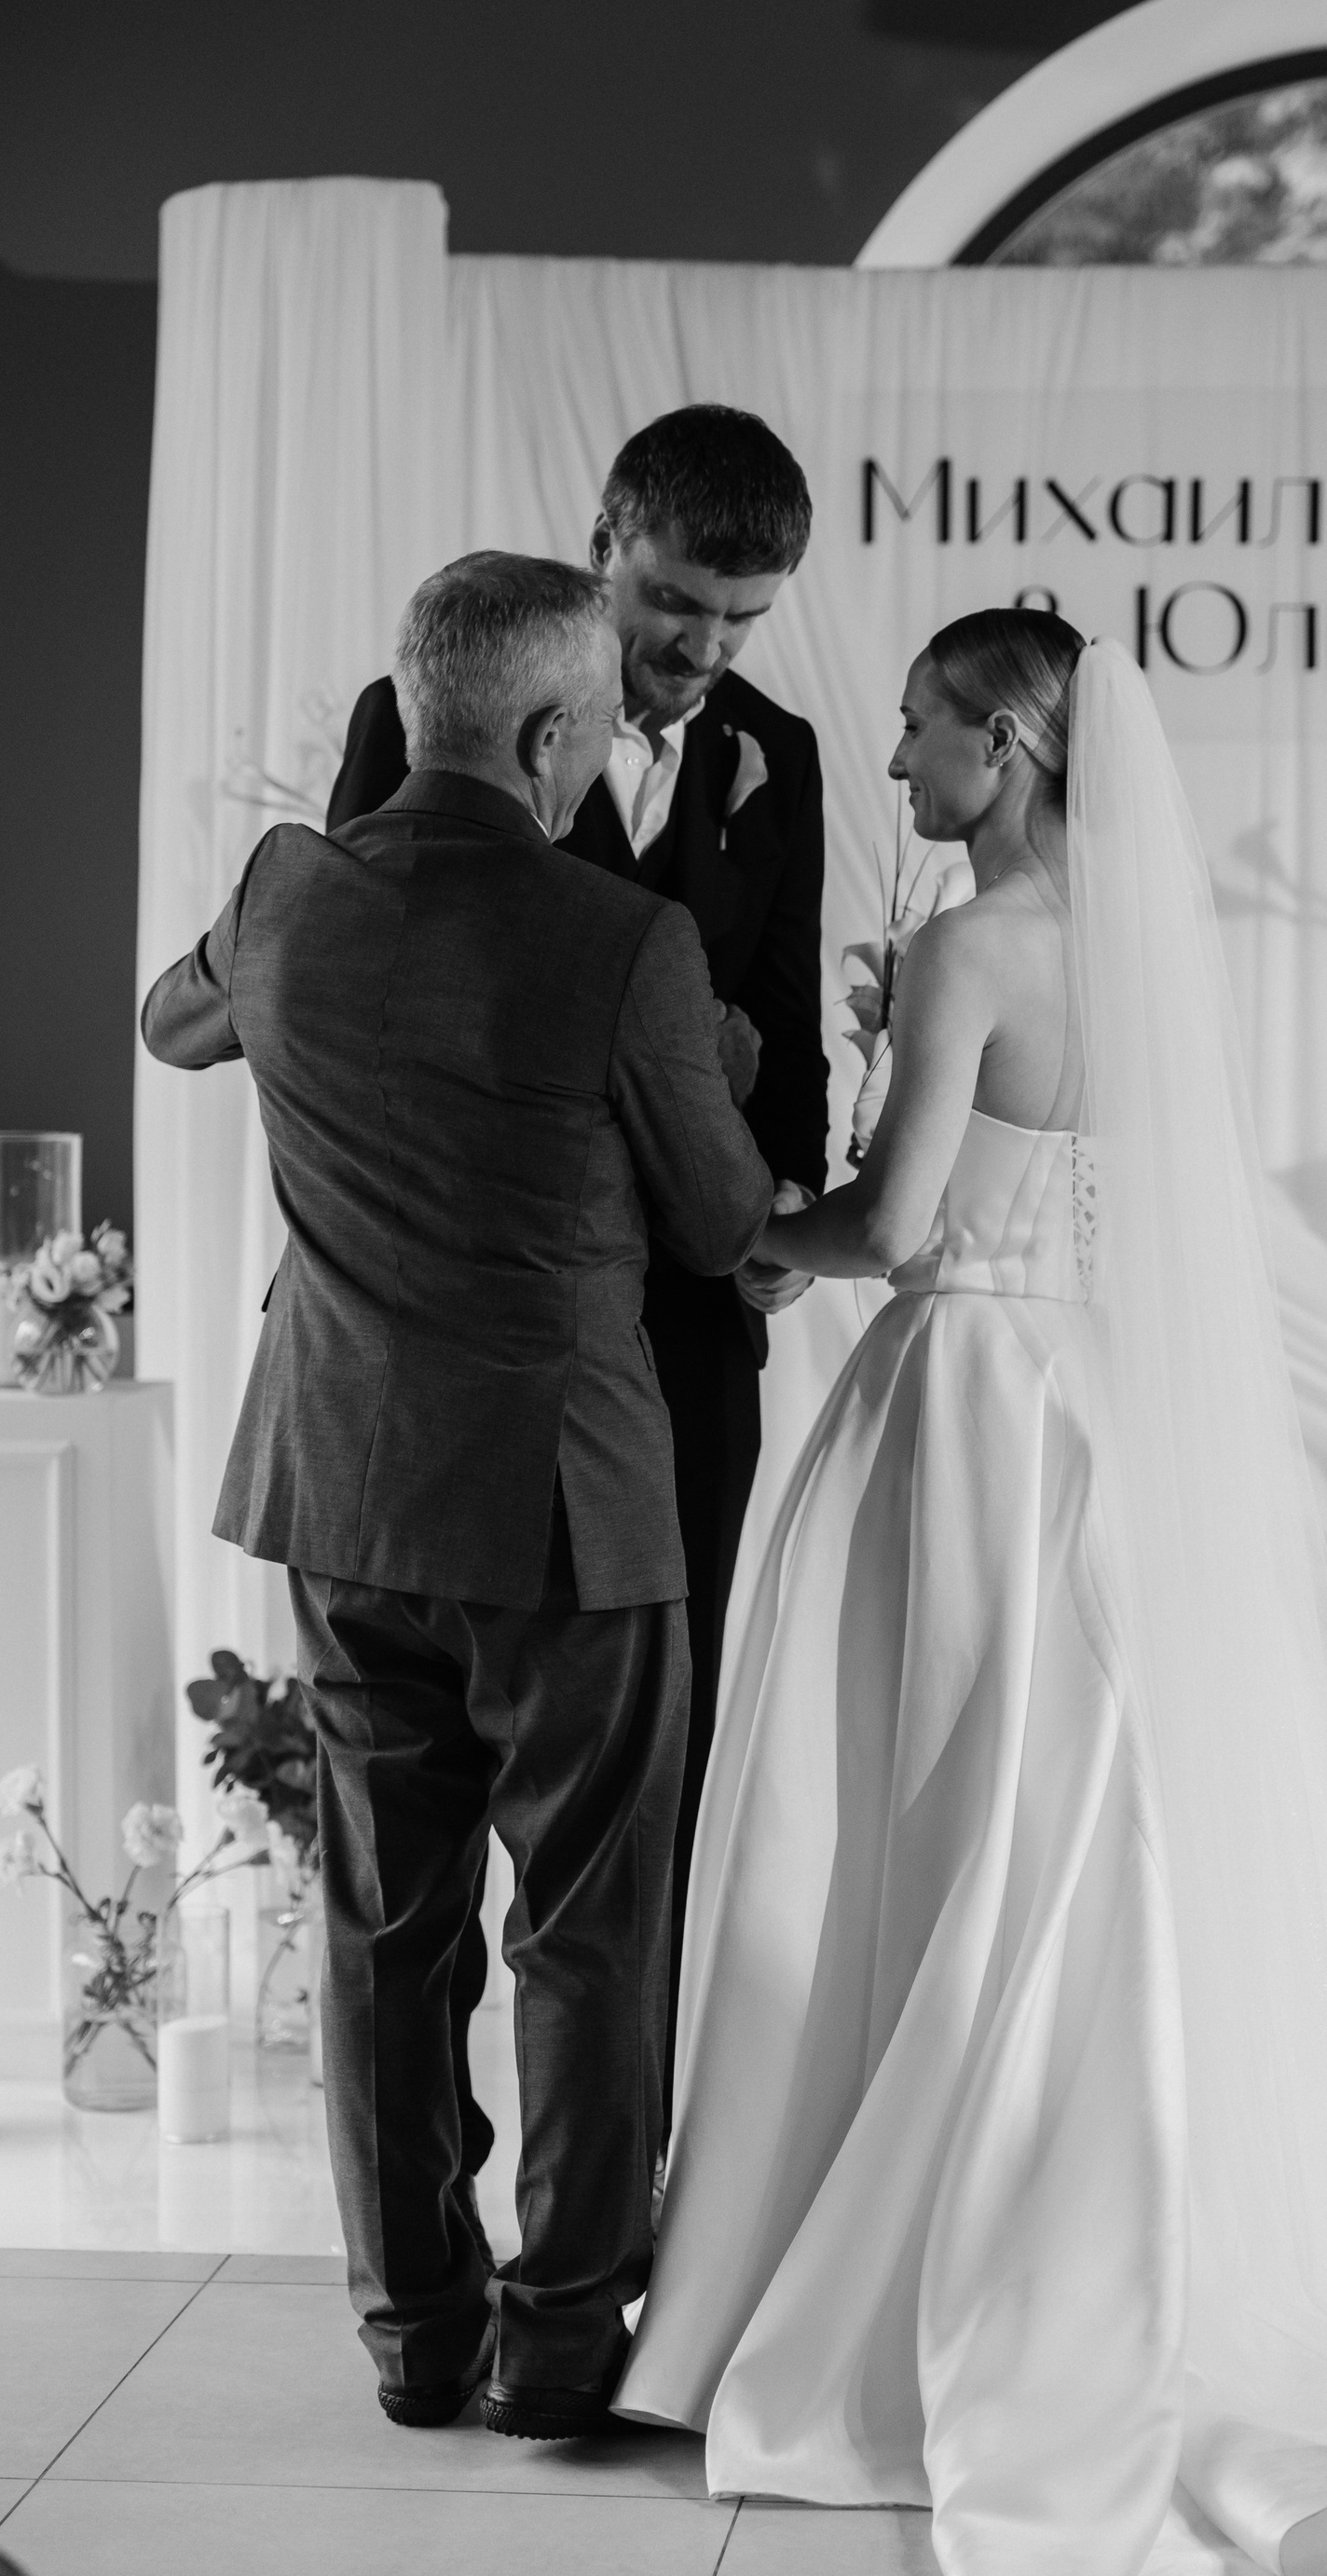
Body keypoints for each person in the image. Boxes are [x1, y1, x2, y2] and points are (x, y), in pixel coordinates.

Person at [619, 611, 1327, 2571]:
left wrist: (748, 1237)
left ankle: (887, 2256)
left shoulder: (969, 951)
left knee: (917, 1818)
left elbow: (895, 1227)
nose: (893, 767)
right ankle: (1085, 2196)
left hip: (967, 1408)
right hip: (1101, 1410)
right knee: (1073, 1810)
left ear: (1006, 742)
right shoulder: (1142, 941)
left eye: (917, 730)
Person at [143, 553, 773, 2438]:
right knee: (584, 1928)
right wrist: (720, 1057)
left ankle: (416, 2336)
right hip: (570, 1512)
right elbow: (723, 1222)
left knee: (383, 1922)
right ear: (553, 730)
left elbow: (175, 1024)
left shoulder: (282, 891)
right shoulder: (626, 942)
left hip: (344, 1492)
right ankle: (563, 2344)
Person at [327, 403, 827, 2132]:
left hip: (678, 1351)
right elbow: (360, 999)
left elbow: (786, 1040)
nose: (701, 650)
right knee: (420, 1834)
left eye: (741, 618)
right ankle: (444, 2209)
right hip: (451, 1353)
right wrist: (687, 1074)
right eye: (676, 601)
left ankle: (621, 2193)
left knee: (649, 1792)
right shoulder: (419, 719)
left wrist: (777, 1207)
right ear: (605, 543)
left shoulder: (776, 752)